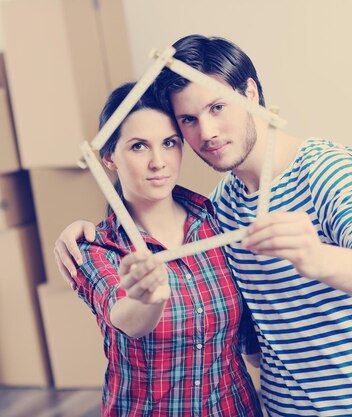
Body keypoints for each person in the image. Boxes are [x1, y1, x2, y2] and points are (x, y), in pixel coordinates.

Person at [55, 35, 352, 416]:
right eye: (189, 120)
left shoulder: (326, 170)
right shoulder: (220, 209)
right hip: (283, 409)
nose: (208, 132)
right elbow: (251, 327)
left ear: (250, 94)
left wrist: (318, 259)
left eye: (218, 107)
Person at [70, 81, 263, 416]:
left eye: (169, 143)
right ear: (109, 158)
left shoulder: (218, 221)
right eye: (139, 147)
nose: (158, 162)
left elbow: (255, 336)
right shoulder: (96, 248)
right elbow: (128, 320)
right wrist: (148, 298)